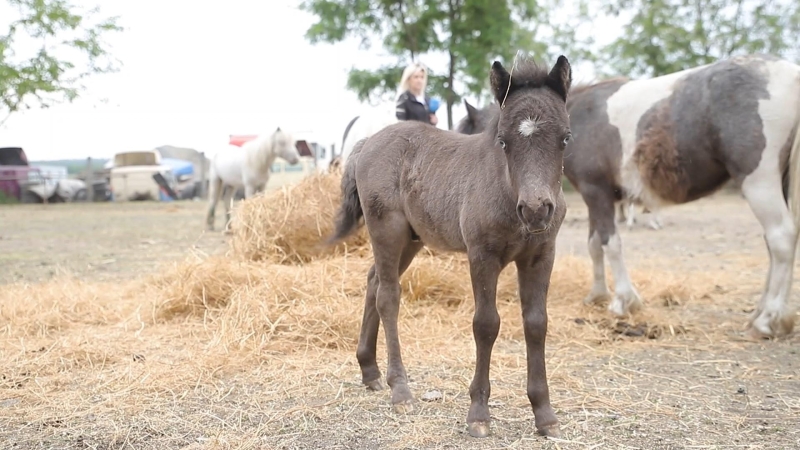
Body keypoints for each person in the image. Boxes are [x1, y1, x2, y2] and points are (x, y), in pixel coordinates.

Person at [395, 62, 438, 126]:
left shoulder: (427, 99)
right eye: (416, 77)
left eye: (422, 77)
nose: (419, 80)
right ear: (408, 79)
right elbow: (400, 124)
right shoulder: (404, 98)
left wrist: (434, 121)